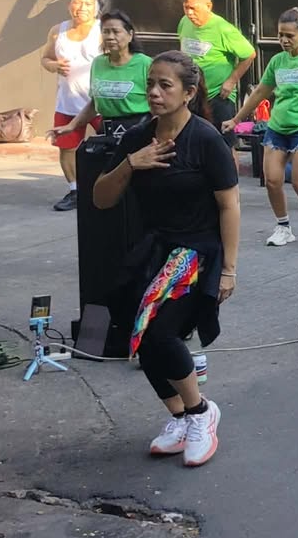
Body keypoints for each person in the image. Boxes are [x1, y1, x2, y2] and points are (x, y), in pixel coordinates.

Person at [92, 51, 242, 468]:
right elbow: (101, 199)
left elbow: (230, 206)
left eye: (166, 86)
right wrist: (130, 163)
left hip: (197, 253)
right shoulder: (138, 138)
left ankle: (201, 413)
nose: (155, 93)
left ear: (189, 93)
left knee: (159, 333)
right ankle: (179, 416)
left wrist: (229, 269)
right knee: (137, 337)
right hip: (154, 250)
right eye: (151, 85)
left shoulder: (206, 139)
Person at [226, 8, 298, 248]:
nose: (284, 40)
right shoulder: (277, 61)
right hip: (277, 127)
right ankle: (283, 227)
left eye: (289, 35)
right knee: (272, 180)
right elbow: (260, 92)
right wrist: (236, 120)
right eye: (280, 35)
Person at [49, 9, 153, 144]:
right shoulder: (98, 63)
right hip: (106, 130)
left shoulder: (145, 64)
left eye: (116, 32)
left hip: (138, 129)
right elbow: (95, 103)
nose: (110, 37)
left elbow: (159, 102)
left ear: (130, 35)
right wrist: (71, 126)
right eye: (106, 32)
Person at [42, 0, 103, 211]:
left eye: (88, 4)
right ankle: (75, 191)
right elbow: (45, 58)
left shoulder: (103, 29)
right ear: (69, 5)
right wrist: (53, 65)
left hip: (100, 103)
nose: (82, 8)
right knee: (66, 148)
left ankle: (114, 188)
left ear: (96, 7)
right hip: (67, 101)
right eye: (78, 3)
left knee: (115, 145)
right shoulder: (58, 31)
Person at [176, 0, 258, 146]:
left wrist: (231, 81)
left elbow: (249, 54)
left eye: (193, 8)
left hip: (219, 95)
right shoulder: (184, 22)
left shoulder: (223, 28)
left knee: (224, 145)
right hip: (193, 94)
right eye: (186, 8)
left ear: (208, 6)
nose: (189, 13)